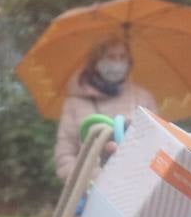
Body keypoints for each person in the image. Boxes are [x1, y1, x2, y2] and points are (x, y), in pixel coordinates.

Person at [54, 37, 157, 181]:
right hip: (88, 193)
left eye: (122, 57)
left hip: (131, 188)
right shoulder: (74, 102)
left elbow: (155, 147)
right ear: (96, 62)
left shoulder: (143, 98)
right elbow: (64, 156)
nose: (117, 63)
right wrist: (86, 182)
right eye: (111, 57)